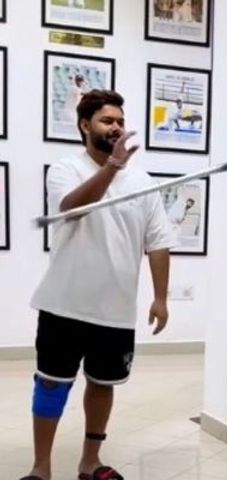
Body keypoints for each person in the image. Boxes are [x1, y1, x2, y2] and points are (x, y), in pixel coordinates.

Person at [22, 90, 176, 480]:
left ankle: (90, 462)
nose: (116, 127)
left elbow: (158, 242)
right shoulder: (64, 169)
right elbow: (71, 209)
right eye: (108, 121)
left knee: (103, 385)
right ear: (84, 125)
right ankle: (41, 468)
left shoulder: (142, 182)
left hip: (115, 310)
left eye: (120, 121)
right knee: (52, 384)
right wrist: (112, 167)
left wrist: (161, 298)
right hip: (64, 304)